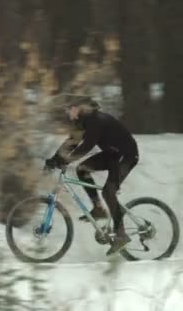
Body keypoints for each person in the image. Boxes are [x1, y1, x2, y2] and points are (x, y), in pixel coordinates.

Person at [44, 96, 139, 255]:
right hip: (112, 155)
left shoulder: (95, 120)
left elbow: (88, 145)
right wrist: (53, 161)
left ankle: (121, 235)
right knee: (82, 169)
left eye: (70, 108)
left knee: (109, 192)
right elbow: (71, 143)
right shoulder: (82, 123)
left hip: (126, 156)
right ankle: (98, 208)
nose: (67, 112)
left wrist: (67, 160)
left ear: (78, 108)